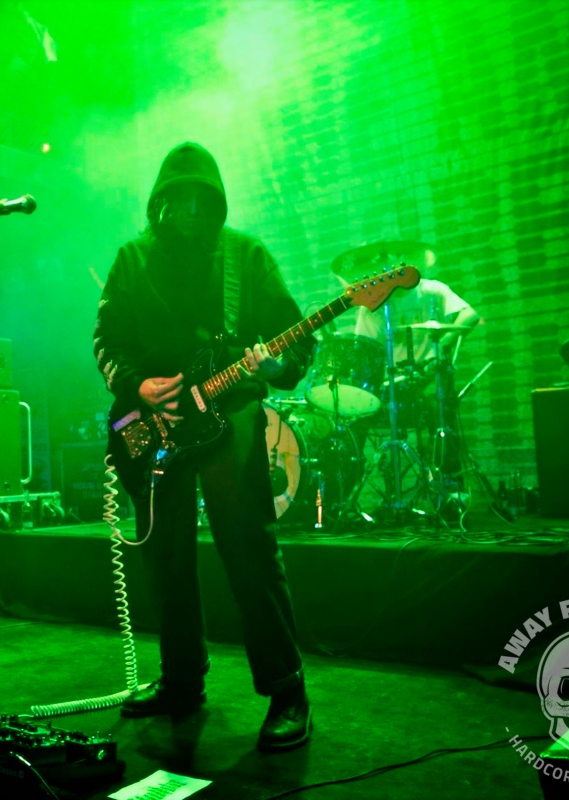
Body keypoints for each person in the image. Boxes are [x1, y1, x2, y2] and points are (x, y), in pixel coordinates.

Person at [93, 141, 316, 752]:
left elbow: (296, 338)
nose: (193, 210)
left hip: (230, 407)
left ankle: (287, 688)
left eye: (203, 200)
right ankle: (181, 680)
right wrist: (136, 385)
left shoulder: (244, 255)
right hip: (153, 421)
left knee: (247, 544)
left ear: (216, 203)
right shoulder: (132, 258)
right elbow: (107, 339)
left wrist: (275, 366)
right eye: (181, 198)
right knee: (164, 553)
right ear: (160, 202)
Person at [347, 261, 481, 504]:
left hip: (429, 377)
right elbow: (365, 350)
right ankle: (344, 495)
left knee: (439, 404)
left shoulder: (432, 290)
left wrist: (442, 346)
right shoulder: (372, 305)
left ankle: (451, 489)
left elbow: (470, 314)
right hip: (393, 383)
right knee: (354, 415)